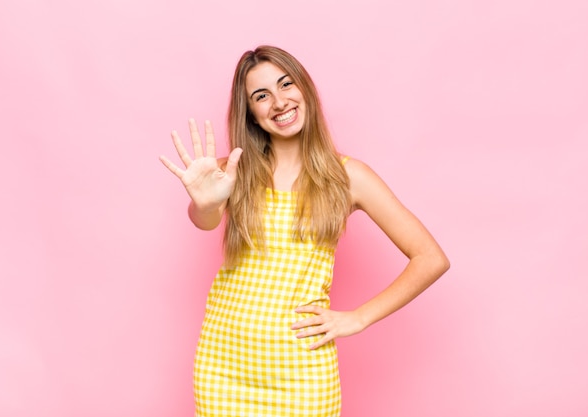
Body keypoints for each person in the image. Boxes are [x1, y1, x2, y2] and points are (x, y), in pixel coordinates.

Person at [160, 45, 449, 417]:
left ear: (305, 89)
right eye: (261, 96)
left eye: (286, 85)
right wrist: (205, 202)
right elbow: (206, 220)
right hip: (223, 361)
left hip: (301, 368)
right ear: (251, 113)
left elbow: (430, 258)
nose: (279, 102)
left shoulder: (348, 177)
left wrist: (359, 317)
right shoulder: (232, 170)